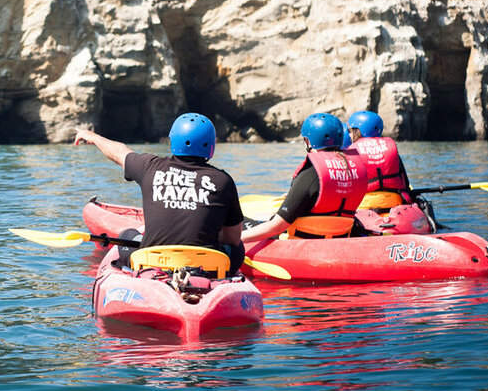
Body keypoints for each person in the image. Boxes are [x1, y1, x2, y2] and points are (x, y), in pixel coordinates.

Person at [74, 113, 245, 276]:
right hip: (206, 266)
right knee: (237, 249)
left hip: (152, 261)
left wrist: (93, 137)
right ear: (211, 145)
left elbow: (119, 152)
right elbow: (232, 238)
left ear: (173, 140)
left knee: (127, 235)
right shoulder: (223, 181)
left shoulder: (149, 167)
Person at [242, 113, 368, 243]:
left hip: (302, 242)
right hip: (339, 237)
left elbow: (277, 226)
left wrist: (235, 240)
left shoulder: (311, 174)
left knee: (240, 221)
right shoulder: (356, 169)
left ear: (308, 141)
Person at [347, 110, 414, 204]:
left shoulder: (352, 153)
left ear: (358, 131)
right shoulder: (390, 149)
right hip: (395, 202)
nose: (349, 135)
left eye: (350, 131)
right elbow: (405, 183)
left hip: (363, 205)